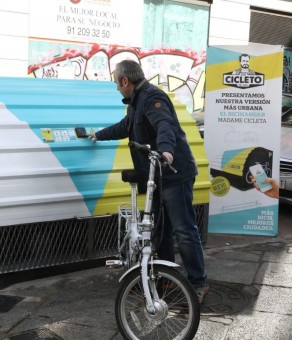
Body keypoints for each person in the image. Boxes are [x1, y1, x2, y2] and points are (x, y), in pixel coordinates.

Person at [90, 60, 209, 302]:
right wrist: (98, 135)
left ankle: (198, 282)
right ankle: (167, 279)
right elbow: (126, 127)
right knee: (160, 231)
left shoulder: (152, 97)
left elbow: (165, 125)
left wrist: (166, 151)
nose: (116, 88)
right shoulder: (135, 103)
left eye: (116, 82)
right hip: (156, 178)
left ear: (125, 81)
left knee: (184, 230)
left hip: (174, 174)